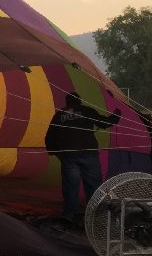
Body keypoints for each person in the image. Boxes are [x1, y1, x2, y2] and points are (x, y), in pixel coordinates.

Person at [45, 92, 120, 225]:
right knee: (93, 185)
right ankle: (95, 214)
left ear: (67, 102)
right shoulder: (87, 111)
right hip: (88, 154)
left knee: (70, 186)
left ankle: (69, 214)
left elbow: (49, 137)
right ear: (79, 101)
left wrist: (57, 153)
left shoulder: (59, 114)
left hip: (69, 156)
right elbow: (104, 123)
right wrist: (116, 116)